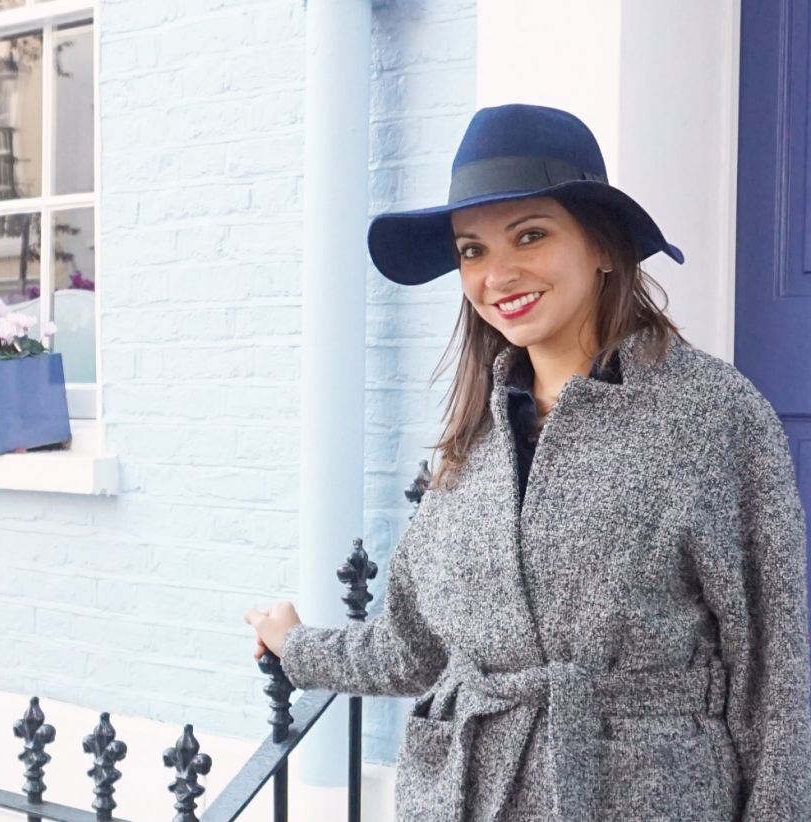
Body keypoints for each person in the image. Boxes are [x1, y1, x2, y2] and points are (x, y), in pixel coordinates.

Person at [245, 104, 811, 821]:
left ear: (603, 245)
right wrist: (298, 646)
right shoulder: (472, 438)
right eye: (471, 250)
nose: (498, 275)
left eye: (531, 236)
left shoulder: (711, 415)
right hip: (470, 796)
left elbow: (772, 672)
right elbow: (412, 647)